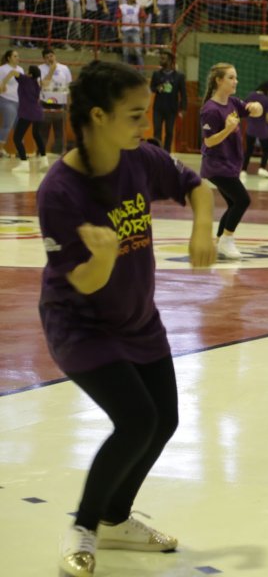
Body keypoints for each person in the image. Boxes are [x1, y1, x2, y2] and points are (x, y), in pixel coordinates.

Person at [36, 60, 216, 577]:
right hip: (81, 325)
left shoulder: (140, 159)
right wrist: (104, 257)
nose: (146, 126)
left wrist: (202, 227)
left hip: (139, 318)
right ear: (98, 115)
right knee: (136, 421)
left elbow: (196, 187)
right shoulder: (60, 191)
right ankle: (85, 526)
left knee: (165, 421)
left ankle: (116, 519)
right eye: (135, 115)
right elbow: (84, 282)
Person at [199, 63, 264, 260]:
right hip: (216, 166)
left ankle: (220, 241)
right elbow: (209, 141)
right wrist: (227, 129)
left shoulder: (233, 103)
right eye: (231, 77)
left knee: (233, 202)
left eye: (236, 77)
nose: (236, 81)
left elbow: (256, 111)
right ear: (219, 81)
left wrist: (256, 106)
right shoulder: (210, 110)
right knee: (242, 200)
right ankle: (227, 240)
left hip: (231, 164)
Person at [9, 65, 45, 173]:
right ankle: (44, 160)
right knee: (36, 134)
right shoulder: (37, 84)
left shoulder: (25, 79)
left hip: (27, 113)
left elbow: (13, 72)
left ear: (30, 73)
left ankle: (24, 163)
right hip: (38, 112)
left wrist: (4, 81)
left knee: (17, 138)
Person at [149, 50, 187, 153]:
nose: (160, 60)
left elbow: (183, 93)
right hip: (158, 108)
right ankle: (156, 152)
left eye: (163, 58)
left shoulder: (179, 76)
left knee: (169, 132)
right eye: (160, 58)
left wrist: (183, 108)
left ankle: (166, 153)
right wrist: (157, 88)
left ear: (170, 61)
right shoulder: (156, 74)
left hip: (171, 109)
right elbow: (151, 88)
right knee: (157, 131)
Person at [38, 48, 72, 157]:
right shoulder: (40, 69)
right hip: (45, 104)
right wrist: (51, 70)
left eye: (51, 56)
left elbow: (68, 86)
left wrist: (68, 103)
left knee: (59, 133)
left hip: (60, 105)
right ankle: (40, 155)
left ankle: (57, 156)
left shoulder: (64, 68)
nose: (49, 59)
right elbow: (43, 84)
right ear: (44, 59)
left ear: (55, 55)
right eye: (47, 57)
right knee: (43, 133)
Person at [0, 49, 24, 158]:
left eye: (18, 56)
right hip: (6, 100)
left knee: (19, 127)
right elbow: (1, 87)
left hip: (19, 101)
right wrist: (9, 76)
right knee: (7, 125)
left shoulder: (21, 69)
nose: (17, 58)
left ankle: (20, 151)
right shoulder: (2, 69)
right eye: (15, 56)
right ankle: (0, 150)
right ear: (9, 58)